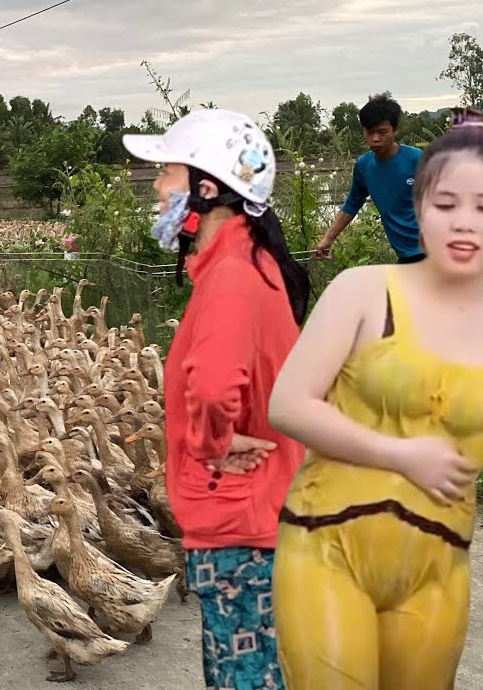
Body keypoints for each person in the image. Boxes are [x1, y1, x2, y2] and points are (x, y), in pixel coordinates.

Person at [267, 108, 483, 689]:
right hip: (327, 548)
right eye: (446, 204)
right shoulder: (362, 292)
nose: (464, 223)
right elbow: (289, 404)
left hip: (437, 568)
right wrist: (401, 454)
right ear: (418, 209)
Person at [123, 109, 310, 690]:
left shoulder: (231, 275)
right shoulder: (244, 264)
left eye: (167, 173)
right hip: (247, 514)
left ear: (208, 191)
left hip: (240, 524)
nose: (156, 186)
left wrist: (215, 442)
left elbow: (210, 386)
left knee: (245, 679)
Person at [314, 93, 425, 263]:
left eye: (382, 132)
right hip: (406, 254)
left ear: (395, 130)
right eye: (370, 132)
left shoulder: (417, 160)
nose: (375, 139)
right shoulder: (364, 165)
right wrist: (328, 238)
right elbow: (352, 203)